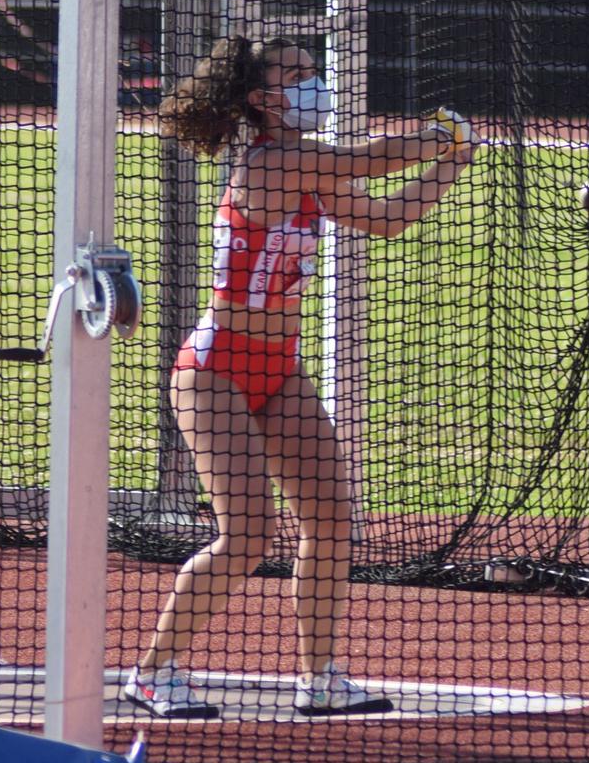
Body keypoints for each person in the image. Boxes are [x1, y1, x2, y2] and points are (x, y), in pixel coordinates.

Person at [124, 35, 476, 718]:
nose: (313, 83)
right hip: (214, 370)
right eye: (297, 74)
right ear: (260, 97)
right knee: (249, 534)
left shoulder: (308, 174)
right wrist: (439, 132)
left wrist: (453, 160)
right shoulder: (278, 160)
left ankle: (320, 677)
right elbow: (374, 159)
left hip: (278, 371)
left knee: (331, 520)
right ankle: (153, 670)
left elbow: (390, 217)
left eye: (313, 72)